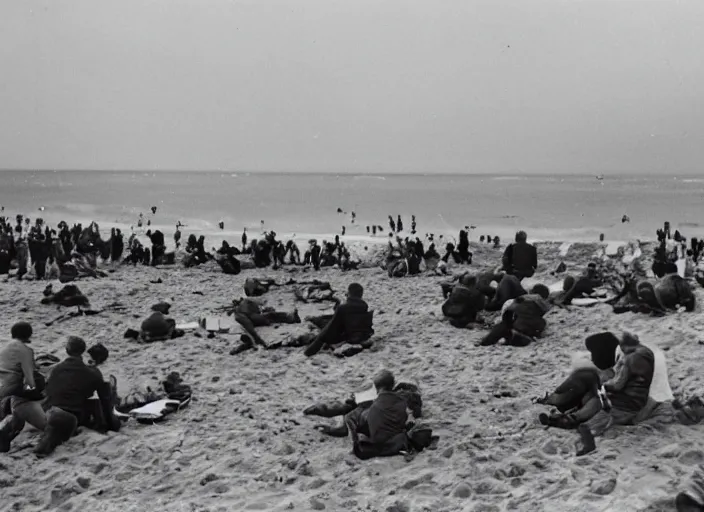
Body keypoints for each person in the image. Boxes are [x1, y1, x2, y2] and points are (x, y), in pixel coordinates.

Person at [34, 336, 120, 456]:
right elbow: (104, 401)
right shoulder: (93, 373)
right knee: (96, 402)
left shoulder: (56, 369)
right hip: (73, 414)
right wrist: (113, 423)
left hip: (48, 410)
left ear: (66, 350)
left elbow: (47, 390)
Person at [575, 332, 654, 456]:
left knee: (585, 426)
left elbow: (617, 385)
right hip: (640, 399)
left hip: (623, 404)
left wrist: (605, 385)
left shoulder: (629, 359)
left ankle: (588, 446)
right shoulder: (648, 353)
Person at [0, 322, 46, 452]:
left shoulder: (4, 348)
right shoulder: (26, 350)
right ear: (28, 335)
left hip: (3, 386)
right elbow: (29, 379)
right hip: (16, 389)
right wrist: (37, 394)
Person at [304, 283, 373, 357]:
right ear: (361, 294)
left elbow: (331, 327)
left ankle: (309, 350)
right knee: (328, 320)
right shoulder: (364, 307)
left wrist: (312, 348)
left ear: (349, 293)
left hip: (347, 337)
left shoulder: (342, 308)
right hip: (362, 336)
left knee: (325, 326)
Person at [479, 284, 551, 347]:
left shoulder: (523, 298)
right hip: (530, 332)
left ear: (532, 291)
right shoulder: (545, 305)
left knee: (502, 325)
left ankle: (485, 342)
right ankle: (522, 336)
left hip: (517, 327)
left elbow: (508, 313)